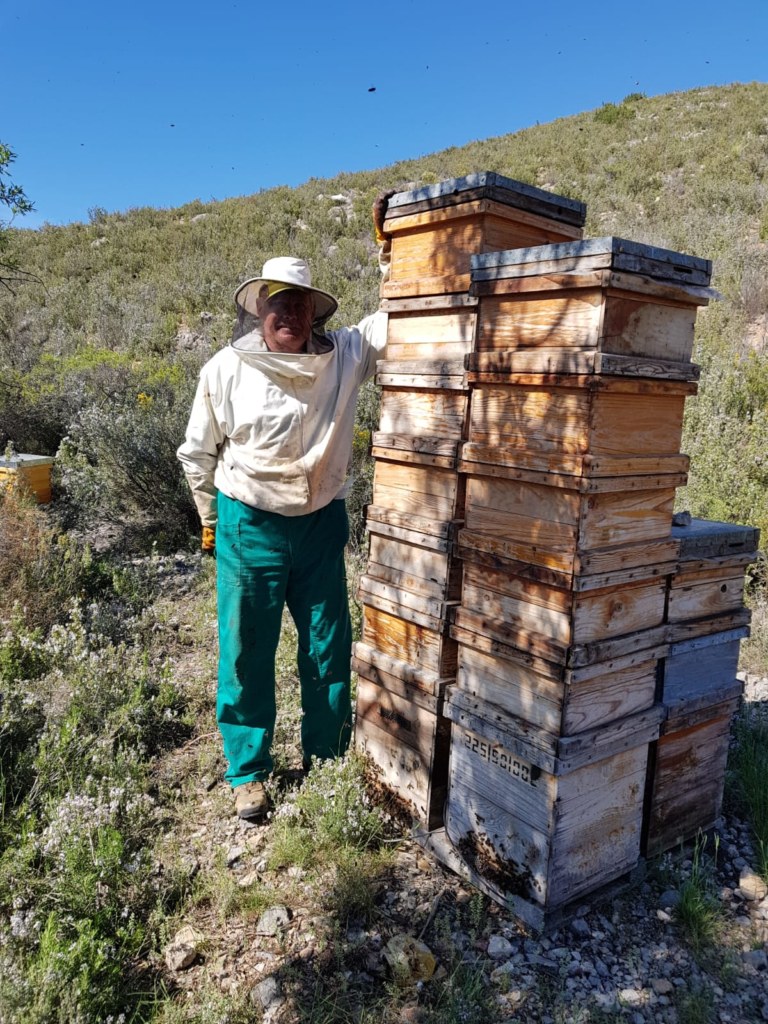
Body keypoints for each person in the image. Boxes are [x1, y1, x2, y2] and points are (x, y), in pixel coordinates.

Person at [177, 196, 393, 820]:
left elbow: (397, 318)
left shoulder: (343, 355)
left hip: (320, 525)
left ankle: (327, 757)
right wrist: (211, 521)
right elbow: (197, 452)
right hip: (248, 525)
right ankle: (248, 771)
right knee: (247, 649)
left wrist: (391, 253)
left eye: (301, 304)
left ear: (314, 311)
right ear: (259, 310)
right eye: (279, 303)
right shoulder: (225, 369)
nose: (290, 314)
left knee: (328, 647)